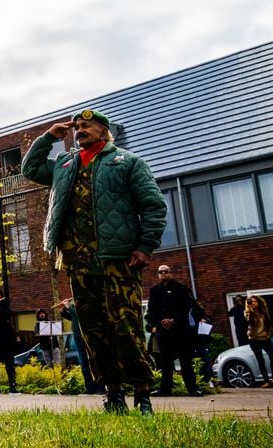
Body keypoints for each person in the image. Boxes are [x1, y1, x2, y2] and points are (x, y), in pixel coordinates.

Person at [21, 108, 166, 415]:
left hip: (118, 261)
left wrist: (144, 247)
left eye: (87, 126)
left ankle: (142, 395)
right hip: (78, 263)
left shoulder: (127, 162)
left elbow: (153, 206)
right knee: (93, 331)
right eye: (77, 127)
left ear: (104, 131)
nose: (79, 130)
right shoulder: (65, 163)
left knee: (126, 328)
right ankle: (112, 395)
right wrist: (48, 137)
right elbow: (30, 169)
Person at [145, 265, 202, 397]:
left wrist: (173, 320)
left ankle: (192, 388)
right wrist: (160, 322)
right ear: (158, 275)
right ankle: (165, 388)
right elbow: (152, 310)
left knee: (185, 361)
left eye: (166, 272)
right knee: (165, 362)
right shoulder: (154, 290)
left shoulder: (181, 288)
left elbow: (186, 307)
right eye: (160, 272)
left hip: (180, 331)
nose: (163, 274)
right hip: (163, 332)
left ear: (171, 273)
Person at [57, 297, 101, 393]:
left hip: (86, 335)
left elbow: (79, 315)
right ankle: (89, 388)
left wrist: (68, 307)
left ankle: (100, 387)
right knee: (83, 363)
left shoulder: (85, 302)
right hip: (77, 336)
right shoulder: (73, 304)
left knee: (94, 362)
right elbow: (73, 318)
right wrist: (63, 311)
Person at [244, 295, 273, 387]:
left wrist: (269, 334)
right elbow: (249, 320)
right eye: (251, 301)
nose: (253, 303)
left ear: (259, 302)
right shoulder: (248, 312)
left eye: (255, 301)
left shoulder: (264, 312)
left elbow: (269, 324)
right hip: (254, 340)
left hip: (265, 338)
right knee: (260, 360)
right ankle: (267, 381)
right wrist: (250, 309)